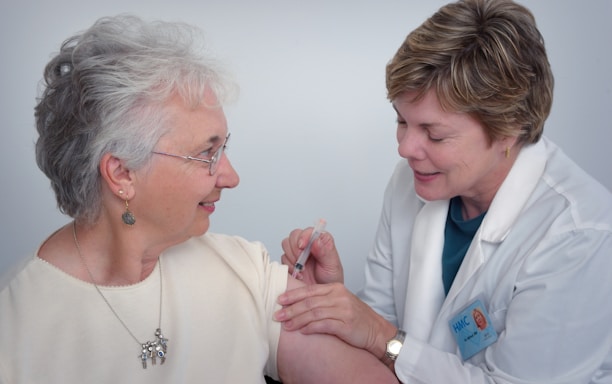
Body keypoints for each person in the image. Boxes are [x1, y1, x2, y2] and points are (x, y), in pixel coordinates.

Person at [0, 15, 399, 384]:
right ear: (122, 174)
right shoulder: (14, 332)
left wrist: (336, 315)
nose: (231, 176)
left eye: (223, 147)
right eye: (206, 154)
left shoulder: (245, 273)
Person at [274, 0, 612, 382]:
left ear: (508, 129)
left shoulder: (579, 234)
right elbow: (379, 338)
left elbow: (389, 343)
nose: (405, 148)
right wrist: (336, 303)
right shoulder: (411, 182)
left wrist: (380, 335)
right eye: (401, 121)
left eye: (434, 134)